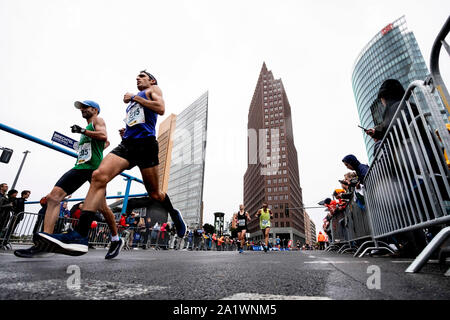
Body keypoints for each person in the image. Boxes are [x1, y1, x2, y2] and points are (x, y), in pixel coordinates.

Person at [35, 70, 186, 257]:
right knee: (98, 176)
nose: (138, 78)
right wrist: (127, 132)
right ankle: (80, 235)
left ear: (151, 80)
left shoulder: (153, 90)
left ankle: (173, 212)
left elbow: (160, 108)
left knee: (155, 193)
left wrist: (135, 98)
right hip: (127, 145)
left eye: (142, 76)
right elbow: (139, 121)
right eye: (136, 77)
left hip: (146, 146)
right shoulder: (132, 103)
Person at [15, 100, 123, 259]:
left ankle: (116, 239)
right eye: (81, 108)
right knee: (53, 198)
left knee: (102, 207)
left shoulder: (97, 121)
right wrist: (96, 144)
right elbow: (105, 142)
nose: (82, 110)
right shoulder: (87, 128)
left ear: (95, 109)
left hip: (94, 170)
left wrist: (82, 131)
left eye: (85, 107)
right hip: (80, 167)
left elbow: (103, 136)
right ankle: (45, 242)